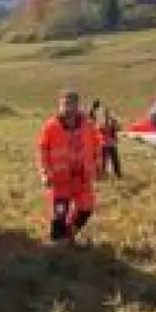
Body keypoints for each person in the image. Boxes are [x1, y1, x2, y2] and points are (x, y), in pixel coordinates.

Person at [37, 89, 102, 244]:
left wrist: (98, 167)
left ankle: (69, 234)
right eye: (65, 105)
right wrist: (45, 174)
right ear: (60, 106)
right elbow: (42, 151)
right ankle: (58, 243)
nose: (68, 109)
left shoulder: (88, 125)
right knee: (59, 215)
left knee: (86, 209)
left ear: (77, 106)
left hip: (83, 179)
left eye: (72, 105)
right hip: (60, 181)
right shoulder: (51, 126)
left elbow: (96, 146)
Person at [98, 107, 122, 179]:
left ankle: (117, 173)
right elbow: (99, 131)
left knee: (114, 160)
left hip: (111, 143)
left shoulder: (112, 121)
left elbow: (118, 129)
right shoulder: (101, 122)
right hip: (105, 143)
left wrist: (115, 123)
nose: (107, 115)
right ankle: (104, 173)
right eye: (106, 113)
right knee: (104, 161)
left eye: (108, 113)